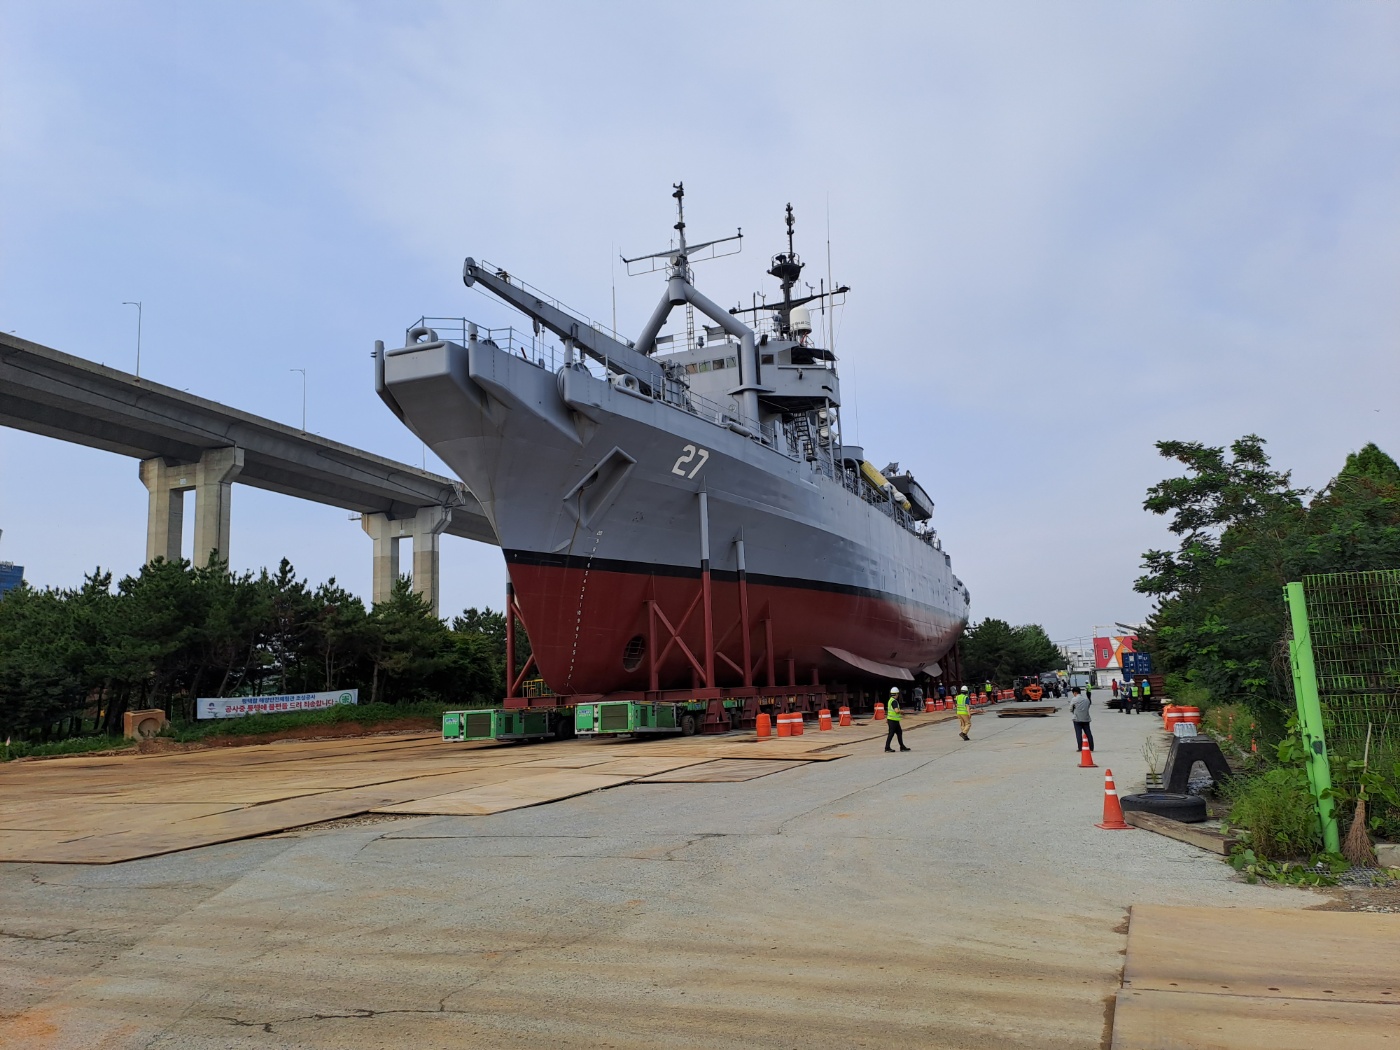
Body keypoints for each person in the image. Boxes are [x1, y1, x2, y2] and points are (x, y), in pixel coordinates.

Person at [884, 686, 910, 752]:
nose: (898, 695)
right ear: (896, 694)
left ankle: (902, 746)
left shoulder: (890, 700)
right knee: (891, 734)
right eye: (897, 694)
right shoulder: (894, 701)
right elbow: (896, 711)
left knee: (899, 732)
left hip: (892, 720)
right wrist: (902, 711)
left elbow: (889, 711)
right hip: (893, 721)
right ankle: (887, 747)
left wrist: (887, 718)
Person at [1069, 686, 1094, 753]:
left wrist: (1074, 712)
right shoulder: (1087, 699)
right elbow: (1088, 707)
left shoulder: (1074, 699)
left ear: (1075, 692)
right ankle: (1091, 747)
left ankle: (1080, 748)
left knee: (1078, 733)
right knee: (1088, 733)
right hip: (1086, 718)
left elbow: (1070, 708)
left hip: (1077, 719)